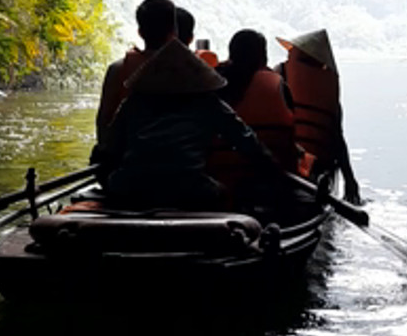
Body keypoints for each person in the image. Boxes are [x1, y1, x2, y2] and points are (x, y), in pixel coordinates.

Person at [94, 39, 283, 210]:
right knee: (223, 194)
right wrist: (274, 168)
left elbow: (109, 149)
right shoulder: (207, 102)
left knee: (106, 168)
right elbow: (246, 141)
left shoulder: (134, 101)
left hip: (129, 187)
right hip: (190, 189)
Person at [274, 29, 362, 205]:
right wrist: (349, 179)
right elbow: (337, 138)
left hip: (285, 162)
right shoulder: (328, 91)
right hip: (319, 165)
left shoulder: (280, 75)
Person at [210, 29, 297, 196]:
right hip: (269, 180)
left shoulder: (211, 84)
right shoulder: (278, 85)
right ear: (262, 57)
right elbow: (290, 136)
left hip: (220, 177)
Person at [96, 0, 176, 144]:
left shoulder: (117, 69)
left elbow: (103, 122)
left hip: (127, 158)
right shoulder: (188, 71)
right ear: (173, 33)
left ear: (140, 32)